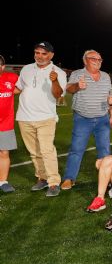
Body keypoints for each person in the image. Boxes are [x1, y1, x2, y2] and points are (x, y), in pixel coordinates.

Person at [15, 41, 67, 197]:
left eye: (44, 53)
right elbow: (18, 88)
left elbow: (58, 95)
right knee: (34, 152)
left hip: (46, 118)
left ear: (51, 55)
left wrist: (54, 80)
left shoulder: (58, 72)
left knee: (47, 150)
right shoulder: (26, 69)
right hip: (24, 117)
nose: (40, 56)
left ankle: (53, 182)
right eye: (37, 52)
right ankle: (42, 178)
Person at [61, 50, 112, 190]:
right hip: (82, 119)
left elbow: (110, 96)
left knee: (104, 151)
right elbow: (69, 89)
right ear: (85, 60)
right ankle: (69, 178)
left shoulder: (105, 76)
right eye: (93, 59)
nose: (97, 61)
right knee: (76, 149)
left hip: (103, 119)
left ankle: (107, 179)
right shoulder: (77, 74)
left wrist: (111, 115)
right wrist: (77, 86)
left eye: (100, 59)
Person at [0, 54, 19, 193]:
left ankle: (3, 181)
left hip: (5, 123)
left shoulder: (11, 78)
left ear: (2, 67)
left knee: (4, 152)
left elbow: (21, 88)